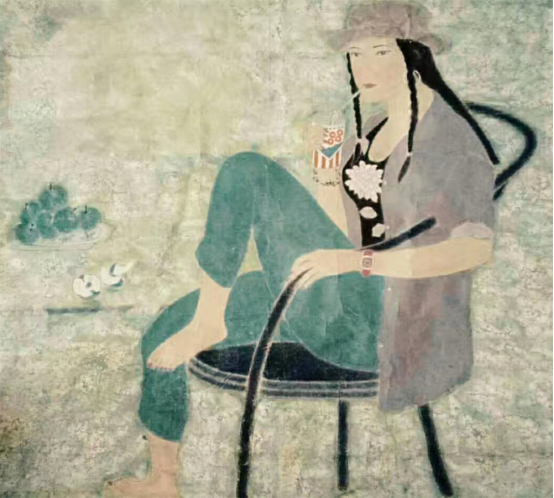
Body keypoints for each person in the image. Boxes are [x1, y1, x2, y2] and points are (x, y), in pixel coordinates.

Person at [108, 3, 498, 496]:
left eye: (381, 52)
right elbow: (341, 234)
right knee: (168, 327)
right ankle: (163, 480)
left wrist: (360, 261)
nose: (365, 67)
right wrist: (327, 175)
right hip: (341, 300)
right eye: (356, 54)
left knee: (247, 170)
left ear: (415, 55)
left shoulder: (449, 142)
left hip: (391, 328)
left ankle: (211, 319)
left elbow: (472, 250)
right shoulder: (372, 132)